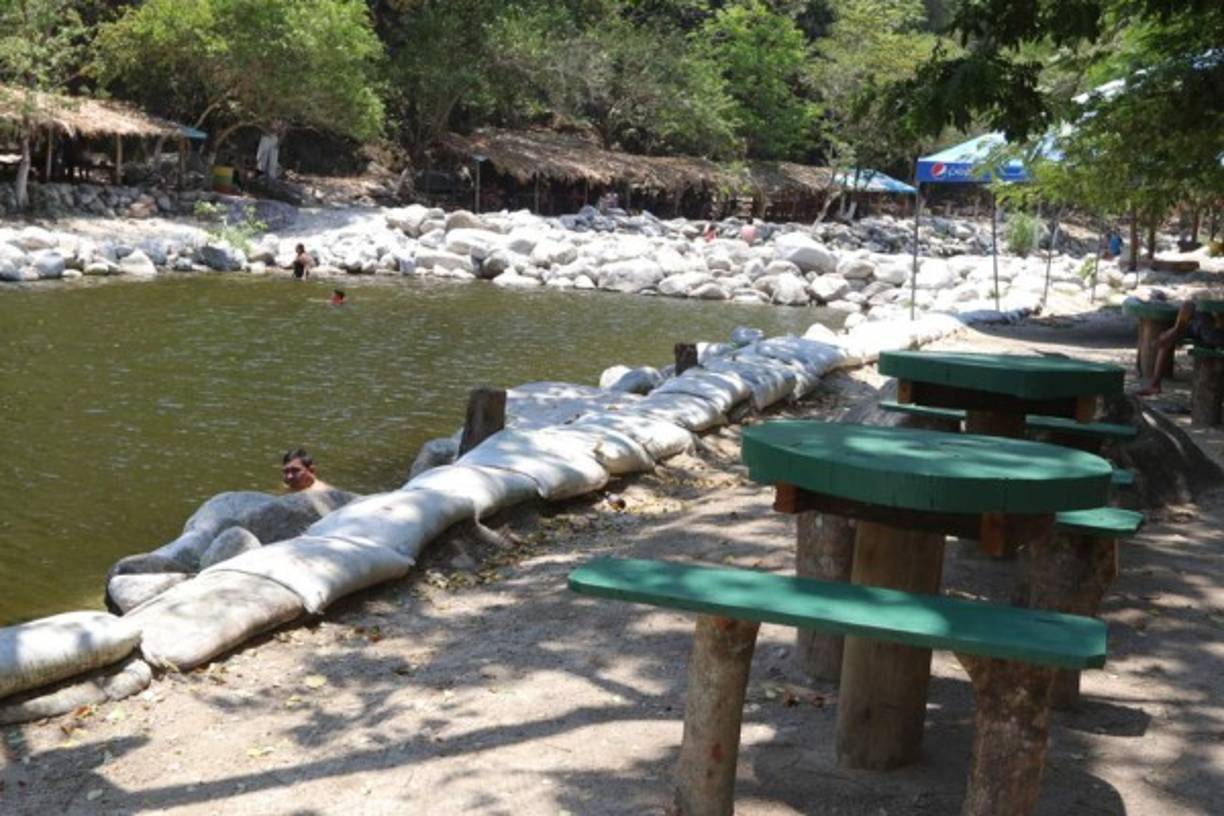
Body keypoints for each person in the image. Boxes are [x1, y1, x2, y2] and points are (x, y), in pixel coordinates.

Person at [1136, 296, 1224, 395]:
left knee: (1189, 307)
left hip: (1215, 336)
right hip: (1208, 331)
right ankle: (1155, 385)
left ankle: (1174, 331)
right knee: (1169, 338)